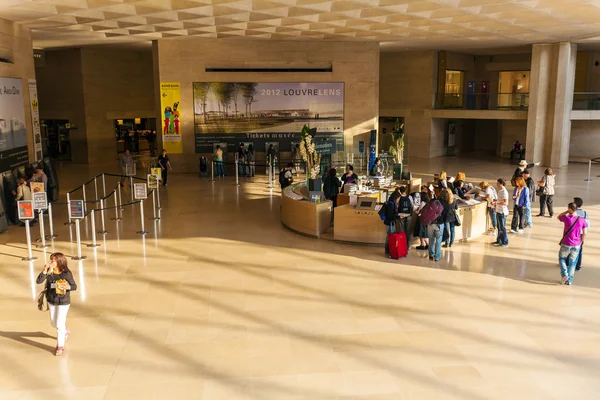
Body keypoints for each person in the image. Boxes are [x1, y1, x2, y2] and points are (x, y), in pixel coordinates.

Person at [36, 253, 78, 356]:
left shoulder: (66, 273)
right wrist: (44, 270)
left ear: (59, 262)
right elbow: (38, 281)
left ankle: (60, 346)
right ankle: (65, 331)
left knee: (59, 324)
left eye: (53, 261)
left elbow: (74, 286)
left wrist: (67, 287)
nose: (51, 262)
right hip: (52, 300)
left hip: (63, 301)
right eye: (50, 260)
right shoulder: (49, 273)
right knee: (53, 323)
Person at [557, 203, 588, 285]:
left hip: (566, 243)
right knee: (573, 262)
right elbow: (585, 232)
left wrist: (566, 211)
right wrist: (581, 241)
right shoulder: (582, 220)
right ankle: (569, 280)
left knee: (562, 258)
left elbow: (558, 216)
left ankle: (564, 274)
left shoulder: (566, 218)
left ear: (570, 209)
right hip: (577, 244)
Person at [428, 189, 450, 262]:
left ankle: (431, 254)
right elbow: (446, 217)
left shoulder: (434, 201)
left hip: (431, 223)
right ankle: (437, 257)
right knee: (438, 240)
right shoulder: (446, 205)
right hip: (440, 224)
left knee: (431, 240)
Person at [573, 197, 589, 272]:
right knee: (579, 250)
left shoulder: (572, 212)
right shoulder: (585, 213)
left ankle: (568, 263)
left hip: (573, 234)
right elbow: (587, 225)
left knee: (568, 248)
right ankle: (578, 266)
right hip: (581, 234)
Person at [396, 186, 414, 251]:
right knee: (408, 231)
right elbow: (412, 206)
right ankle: (408, 245)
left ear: (400, 191)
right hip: (408, 215)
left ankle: (402, 244)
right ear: (405, 191)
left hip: (401, 215)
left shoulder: (398, 198)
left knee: (401, 231)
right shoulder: (410, 197)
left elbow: (397, 206)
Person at [383, 192, 400, 257]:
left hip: (391, 222)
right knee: (390, 237)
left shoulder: (392, 203)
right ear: (395, 198)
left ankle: (388, 250)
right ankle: (388, 250)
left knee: (389, 236)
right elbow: (390, 216)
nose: (398, 200)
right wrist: (398, 216)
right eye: (398, 198)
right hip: (390, 222)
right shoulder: (391, 204)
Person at [493, 179, 509, 247]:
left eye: (498, 183)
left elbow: (505, 203)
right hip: (498, 210)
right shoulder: (500, 191)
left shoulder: (504, 192)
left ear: (501, 184)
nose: (497, 184)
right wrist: (496, 201)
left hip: (502, 212)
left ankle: (505, 241)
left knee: (502, 227)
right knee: (499, 227)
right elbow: (500, 200)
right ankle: (499, 240)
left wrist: (497, 203)